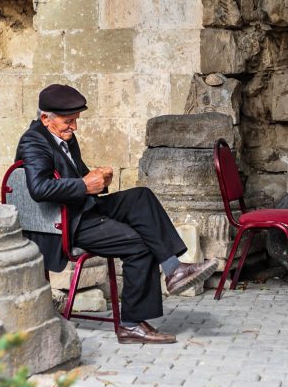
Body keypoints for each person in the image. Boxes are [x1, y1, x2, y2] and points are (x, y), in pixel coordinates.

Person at [15, 84, 218, 345]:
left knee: (140, 197)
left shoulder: (64, 138)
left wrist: (100, 180)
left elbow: (79, 177)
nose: (74, 127)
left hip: (80, 209)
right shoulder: (33, 141)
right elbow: (39, 188)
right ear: (46, 118)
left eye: (76, 120)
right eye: (68, 121)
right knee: (139, 244)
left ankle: (174, 269)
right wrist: (85, 185)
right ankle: (131, 326)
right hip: (64, 225)